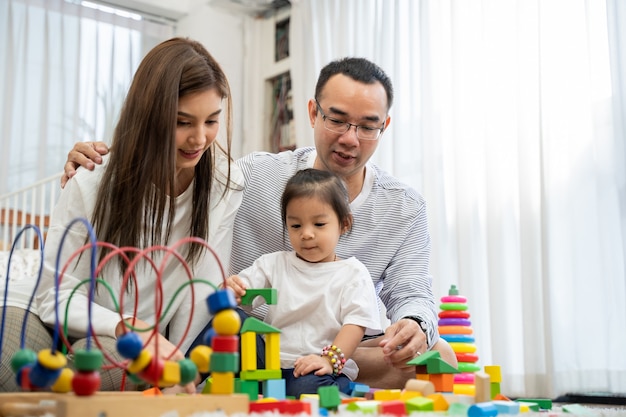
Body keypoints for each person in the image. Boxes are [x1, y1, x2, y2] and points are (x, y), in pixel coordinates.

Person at [62, 57, 458, 389]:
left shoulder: (404, 207)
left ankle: (326, 378)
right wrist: (101, 163)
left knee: (438, 354)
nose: (351, 138)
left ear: (384, 127)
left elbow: (412, 289)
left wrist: (414, 323)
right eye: (337, 120)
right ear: (312, 113)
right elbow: (183, 164)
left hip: (337, 347)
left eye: (367, 126)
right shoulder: (253, 175)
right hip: (254, 345)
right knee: (226, 338)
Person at [0, 37, 244, 392]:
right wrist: (129, 325)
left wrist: (179, 370)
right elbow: (55, 296)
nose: (199, 139)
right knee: (9, 364)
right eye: (182, 122)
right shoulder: (93, 180)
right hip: (44, 317)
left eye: (211, 120)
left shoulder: (225, 184)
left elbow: (200, 290)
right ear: (149, 115)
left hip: (119, 344)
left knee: (103, 369)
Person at [223, 168, 380, 398]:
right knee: (228, 319)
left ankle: (344, 390)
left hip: (312, 368)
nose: (306, 234)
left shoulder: (352, 273)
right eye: (296, 226)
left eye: (318, 224)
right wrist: (230, 290)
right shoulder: (274, 263)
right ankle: (186, 376)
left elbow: (355, 324)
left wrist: (328, 360)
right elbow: (240, 295)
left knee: (309, 391)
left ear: (344, 224)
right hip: (266, 363)